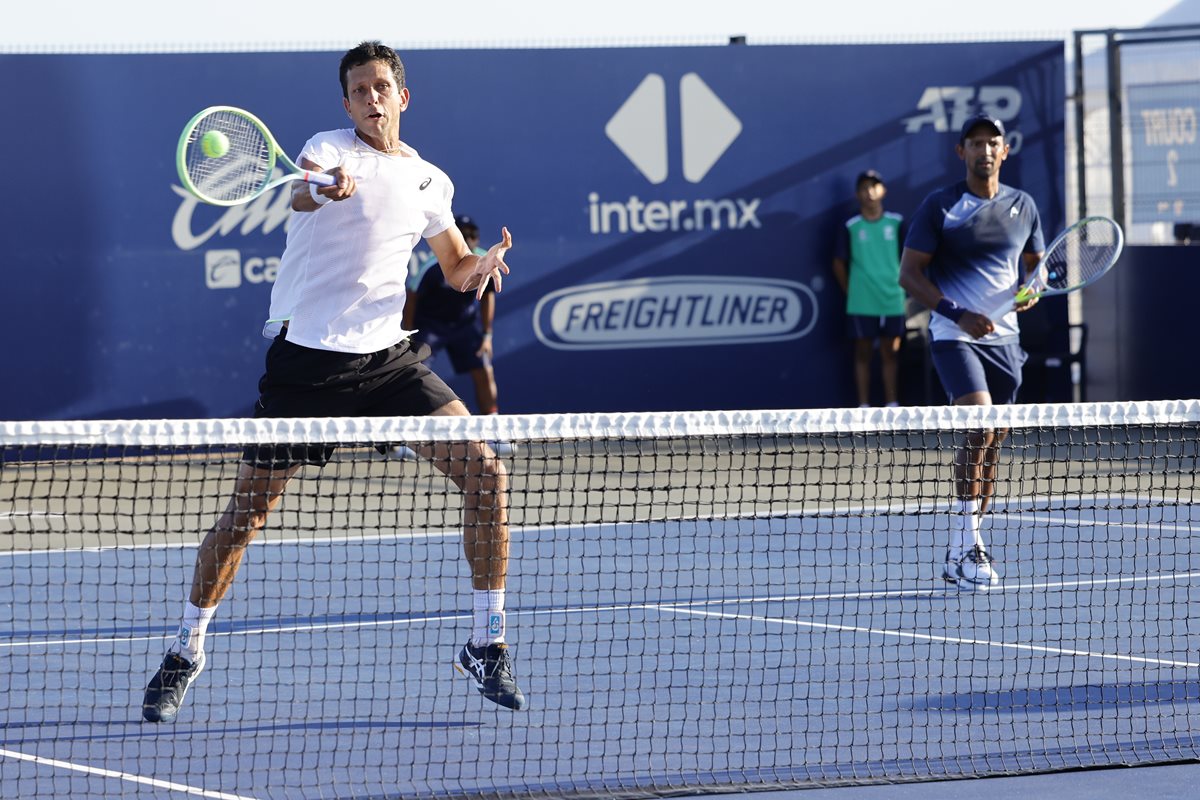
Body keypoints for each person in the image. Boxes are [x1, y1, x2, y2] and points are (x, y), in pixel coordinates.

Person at [142, 41, 527, 722]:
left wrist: (480, 266)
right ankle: (186, 648)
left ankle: (485, 642)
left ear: (402, 97)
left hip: (389, 362)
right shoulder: (326, 150)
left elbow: (454, 265)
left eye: (381, 87)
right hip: (307, 366)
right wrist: (322, 187)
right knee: (247, 515)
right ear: (347, 103)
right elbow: (302, 192)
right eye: (358, 90)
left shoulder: (430, 181)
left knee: (487, 474)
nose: (370, 98)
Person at [898, 112, 1045, 590]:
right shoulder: (940, 206)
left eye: (992, 142)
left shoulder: (1024, 205)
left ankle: (967, 543)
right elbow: (909, 275)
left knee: (994, 441)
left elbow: (1036, 264)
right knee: (979, 427)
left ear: (1005, 151)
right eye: (975, 143)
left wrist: (1034, 286)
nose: (985, 150)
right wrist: (957, 313)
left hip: (1006, 341)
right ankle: (966, 545)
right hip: (954, 336)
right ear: (961, 152)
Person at [403, 214, 499, 416]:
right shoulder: (432, 266)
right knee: (413, 371)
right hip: (430, 325)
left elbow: (488, 297)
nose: (468, 239)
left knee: (484, 370)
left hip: (464, 325)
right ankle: (412, 429)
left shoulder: (486, 262)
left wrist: (487, 335)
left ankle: (492, 425)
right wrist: (408, 334)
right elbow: (412, 297)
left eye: (473, 235)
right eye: (463, 234)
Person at [831, 170, 906, 408]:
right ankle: (863, 407)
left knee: (890, 353)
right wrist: (852, 291)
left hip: (892, 300)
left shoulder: (896, 223)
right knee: (863, 354)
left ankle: (891, 404)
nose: (870, 192)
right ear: (857, 194)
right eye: (864, 187)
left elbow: (910, 260)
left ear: (883, 191)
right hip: (862, 302)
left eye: (874, 186)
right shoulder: (851, 226)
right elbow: (838, 263)